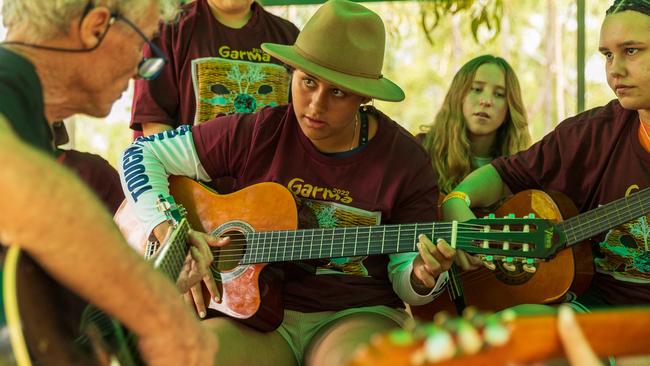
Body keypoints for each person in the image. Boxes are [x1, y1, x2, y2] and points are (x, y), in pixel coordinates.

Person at [119, 1, 456, 365]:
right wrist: (170, 232)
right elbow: (141, 155)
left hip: (354, 312)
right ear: (291, 72)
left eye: (338, 92)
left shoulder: (405, 161)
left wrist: (422, 276)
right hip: (253, 319)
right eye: (307, 82)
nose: (315, 104)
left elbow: (407, 281)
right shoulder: (258, 129)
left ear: (364, 96)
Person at [0, 1, 221, 364]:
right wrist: (155, 312)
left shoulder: (32, 127)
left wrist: (161, 285)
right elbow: (17, 181)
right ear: (96, 26)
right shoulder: (8, 80)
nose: (141, 71)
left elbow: (52, 333)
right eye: (141, 46)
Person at [443, 0, 650, 309]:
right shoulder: (589, 134)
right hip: (592, 312)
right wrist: (456, 202)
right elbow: (503, 175)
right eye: (607, 55)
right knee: (515, 333)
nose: (614, 70)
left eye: (631, 51)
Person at [130, 0, 300, 138]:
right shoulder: (170, 28)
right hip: (182, 175)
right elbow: (154, 121)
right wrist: (179, 179)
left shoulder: (288, 37)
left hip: (268, 178)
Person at [419, 54, 531, 197]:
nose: (486, 101)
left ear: (510, 109)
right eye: (477, 89)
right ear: (457, 97)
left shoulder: (520, 168)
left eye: (499, 94)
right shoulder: (421, 151)